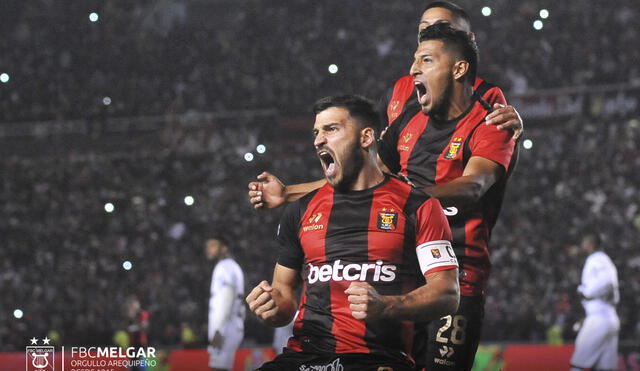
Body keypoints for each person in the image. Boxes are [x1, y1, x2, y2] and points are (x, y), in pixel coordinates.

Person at [248, 23, 516, 371]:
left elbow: (472, 187)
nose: (414, 68)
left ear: (459, 67)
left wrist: (403, 202)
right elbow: (362, 173)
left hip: (457, 269)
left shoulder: (493, 118)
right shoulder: (407, 119)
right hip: (312, 352)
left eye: (426, 58)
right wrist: (288, 194)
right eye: (414, 56)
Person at [246, 95, 460, 370]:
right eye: (316, 132)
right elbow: (284, 297)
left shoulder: (418, 206)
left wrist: (386, 306)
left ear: (366, 137)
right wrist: (271, 308)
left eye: (331, 129)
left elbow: (447, 293)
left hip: (379, 359)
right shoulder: (300, 211)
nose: (318, 140)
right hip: (305, 357)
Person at [382, 1, 523, 140]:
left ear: (469, 39)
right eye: (424, 30)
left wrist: (514, 138)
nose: (430, 35)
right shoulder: (397, 90)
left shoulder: (488, 95)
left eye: (443, 28)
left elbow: (498, 151)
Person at [570, 234, 620, 371]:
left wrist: (585, 291)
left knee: (577, 364)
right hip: (608, 316)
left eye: (584, 241)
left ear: (591, 243)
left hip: (599, 319)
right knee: (606, 368)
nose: (582, 244)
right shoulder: (603, 259)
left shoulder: (596, 258)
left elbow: (606, 281)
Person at [205, 237, 245, 371]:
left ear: (224, 248)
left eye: (213, 245)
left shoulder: (225, 267)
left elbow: (226, 298)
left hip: (225, 327)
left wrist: (218, 330)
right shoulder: (232, 266)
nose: (209, 249)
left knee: (218, 368)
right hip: (231, 324)